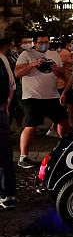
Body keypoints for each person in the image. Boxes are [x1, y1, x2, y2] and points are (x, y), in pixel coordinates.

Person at [15, 32, 70, 168]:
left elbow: (62, 74)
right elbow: (17, 73)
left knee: (63, 122)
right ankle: (23, 157)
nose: (44, 45)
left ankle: (64, 148)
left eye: (46, 42)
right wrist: (32, 64)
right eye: (40, 42)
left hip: (52, 95)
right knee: (31, 125)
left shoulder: (54, 55)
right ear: (35, 43)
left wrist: (57, 71)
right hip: (32, 96)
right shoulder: (26, 54)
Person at [0, 40, 16, 209]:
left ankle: (7, 194)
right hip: (1, 111)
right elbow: (12, 85)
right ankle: (7, 195)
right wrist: (6, 106)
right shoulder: (2, 59)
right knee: (4, 154)